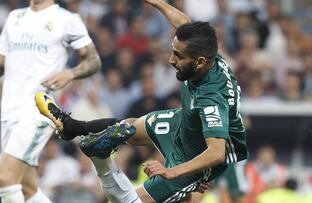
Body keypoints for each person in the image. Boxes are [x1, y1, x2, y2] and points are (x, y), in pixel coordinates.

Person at [35, 0, 248, 202]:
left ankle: (102, 160)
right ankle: (72, 127)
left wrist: (171, 171)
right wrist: (155, 2)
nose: (171, 60)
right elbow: (182, 22)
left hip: (197, 153)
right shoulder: (204, 50)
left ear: (200, 62)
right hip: (185, 123)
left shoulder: (211, 97)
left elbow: (217, 152)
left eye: (178, 56)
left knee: (133, 201)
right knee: (129, 126)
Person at [0, 0, 101, 202]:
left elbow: (94, 60)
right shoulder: (15, 16)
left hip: (38, 111)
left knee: (6, 180)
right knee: (26, 188)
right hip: (9, 111)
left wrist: (70, 73)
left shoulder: (67, 20)